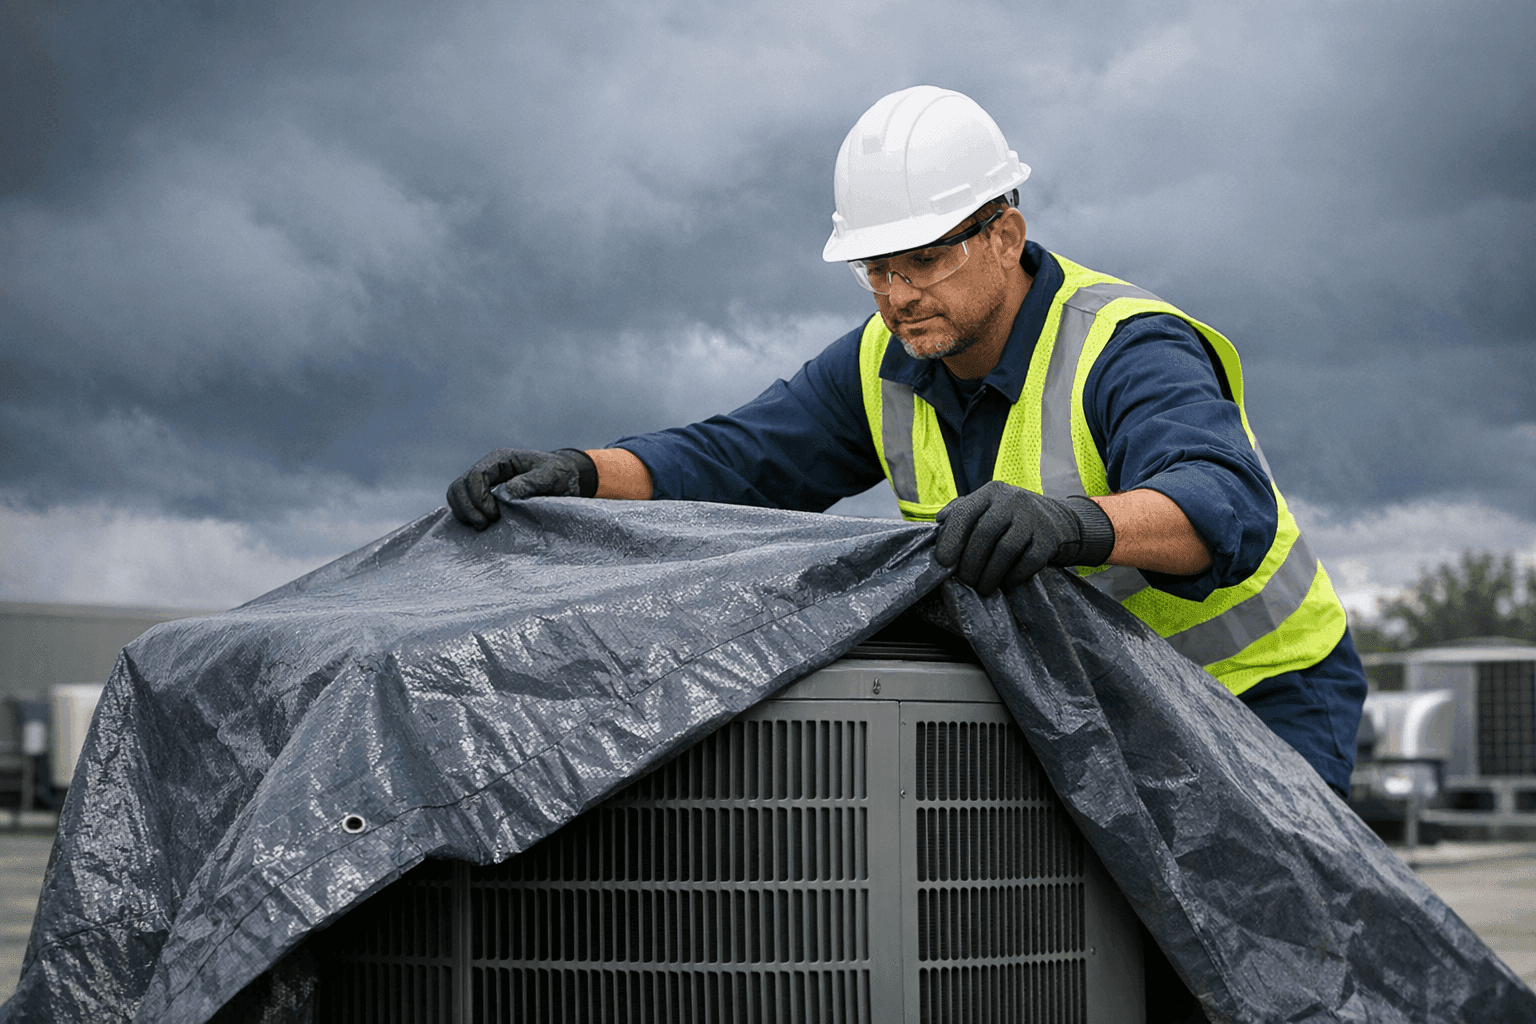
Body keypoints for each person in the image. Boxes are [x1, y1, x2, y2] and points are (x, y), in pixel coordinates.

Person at [447, 85, 1367, 797]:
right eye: (875, 269)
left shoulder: (1125, 344)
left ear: (1004, 235)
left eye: (923, 260)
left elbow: (1220, 501)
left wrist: (1070, 523)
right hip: (1103, 705)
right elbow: (734, 459)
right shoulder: (882, 363)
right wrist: (577, 472)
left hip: (1260, 693)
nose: (896, 296)